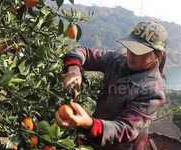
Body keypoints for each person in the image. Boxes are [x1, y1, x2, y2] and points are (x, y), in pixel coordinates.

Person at [55, 21, 168, 150]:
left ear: (157, 55)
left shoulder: (152, 91)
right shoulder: (118, 58)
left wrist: (89, 123)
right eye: (130, 47)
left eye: (138, 51)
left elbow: (125, 130)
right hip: (93, 137)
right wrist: (74, 69)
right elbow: (83, 52)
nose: (130, 54)